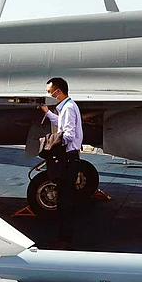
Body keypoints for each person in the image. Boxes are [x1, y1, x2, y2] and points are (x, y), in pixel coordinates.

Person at [38, 77, 83, 248]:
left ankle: (65, 239)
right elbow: (61, 124)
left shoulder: (69, 108)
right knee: (65, 198)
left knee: (65, 200)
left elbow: (69, 134)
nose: (49, 94)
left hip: (68, 158)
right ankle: (64, 237)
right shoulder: (67, 107)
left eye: (50, 91)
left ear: (58, 91)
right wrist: (47, 112)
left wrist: (52, 143)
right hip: (70, 157)